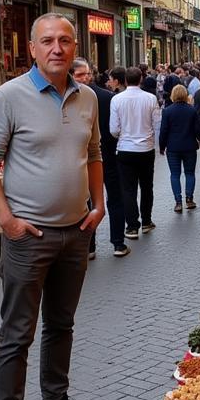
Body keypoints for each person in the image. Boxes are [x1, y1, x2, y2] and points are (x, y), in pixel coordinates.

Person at [0, 13, 105, 400]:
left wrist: (99, 205)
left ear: (75, 48)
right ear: (31, 48)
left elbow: (93, 153)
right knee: (17, 335)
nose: (57, 48)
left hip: (76, 232)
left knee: (62, 324)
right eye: (47, 41)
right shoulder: (9, 96)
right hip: (28, 238)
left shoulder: (87, 96)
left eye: (65, 41)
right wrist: (6, 220)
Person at [80, 60, 131, 259]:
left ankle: (90, 246)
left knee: (88, 201)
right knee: (114, 199)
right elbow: (115, 129)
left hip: (87, 158)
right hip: (109, 155)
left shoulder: (71, 99)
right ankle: (118, 243)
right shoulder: (108, 97)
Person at [109, 66, 161, 239]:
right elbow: (157, 124)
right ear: (141, 79)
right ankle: (146, 221)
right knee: (147, 187)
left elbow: (113, 129)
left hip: (125, 149)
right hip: (145, 149)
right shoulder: (151, 98)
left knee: (128, 189)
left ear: (124, 80)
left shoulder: (116, 100)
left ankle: (132, 226)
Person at [159, 85, 200, 212]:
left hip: (173, 148)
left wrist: (162, 146)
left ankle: (178, 202)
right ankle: (189, 199)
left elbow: (164, 131)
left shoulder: (167, 111)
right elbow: (197, 129)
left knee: (175, 174)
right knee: (189, 173)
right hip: (189, 146)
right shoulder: (191, 110)